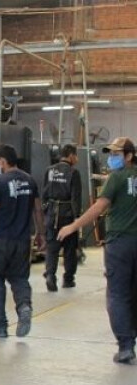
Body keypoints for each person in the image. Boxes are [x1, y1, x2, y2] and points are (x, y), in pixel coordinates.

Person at [58, 137, 137, 364]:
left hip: (119, 243)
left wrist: (73, 226)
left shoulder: (117, 178)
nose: (111, 158)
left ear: (129, 156)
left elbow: (100, 206)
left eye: (116, 154)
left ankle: (125, 346)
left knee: (118, 294)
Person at [0, 144, 45, 338]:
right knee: (20, 279)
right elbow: (38, 209)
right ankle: (24, 307)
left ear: (3, 160)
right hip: (22, 241)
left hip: (0, 241)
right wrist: (40, 233)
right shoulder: (30, 181)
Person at [41, 144, 82, 292]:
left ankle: (50, 275)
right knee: (70, 249)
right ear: (71, 155)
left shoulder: (49, 170)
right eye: (76, 155)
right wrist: (77, 218)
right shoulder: (73, 172)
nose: (77, 159)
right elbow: (76, 197)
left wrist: (46, 211)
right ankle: (68, 279)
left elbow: (44, 194)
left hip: (52, 214)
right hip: (67, 215)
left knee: (52, 248)